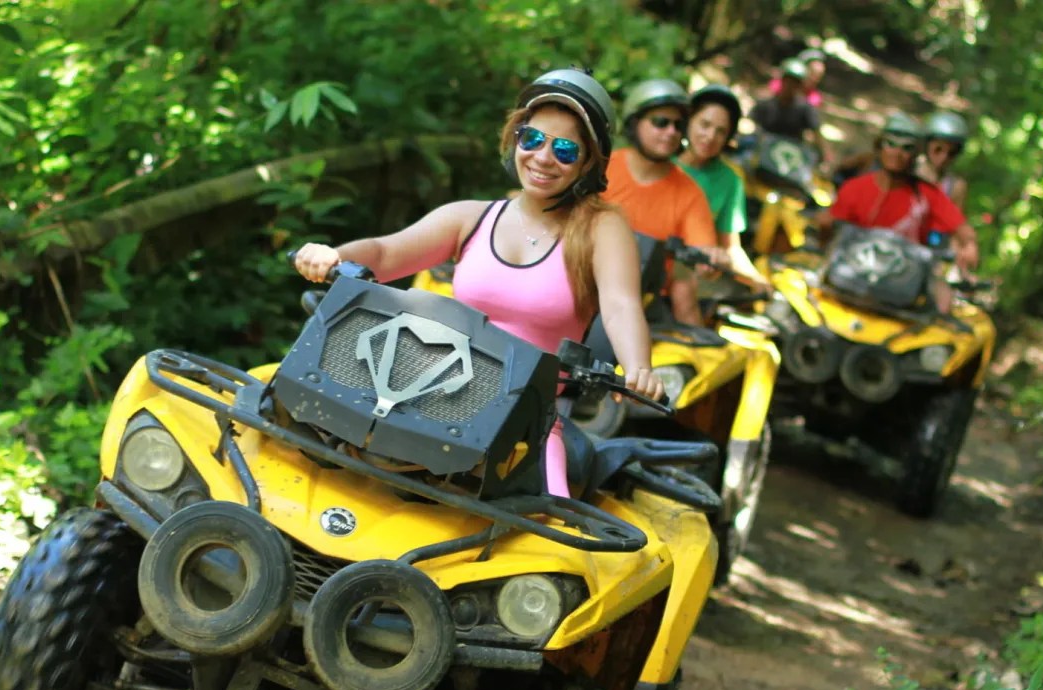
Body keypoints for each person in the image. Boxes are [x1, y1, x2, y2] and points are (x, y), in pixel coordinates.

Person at [292, 69, 661, 499]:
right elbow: (386, 253)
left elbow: (620, 305)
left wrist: (639, 368)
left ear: (587, 162)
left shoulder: (602, 227)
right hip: (427, 397)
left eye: (564, 149)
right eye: (533, 140)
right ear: (515, 140)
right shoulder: (471, 217)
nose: (543, 158)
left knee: (552, 530)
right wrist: (335, 255)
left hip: (524, 425)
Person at [814, 111, 979, 299]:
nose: (897, 154)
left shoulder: (928, 195)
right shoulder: (855, 188)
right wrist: (825, 227)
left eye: (907, 148)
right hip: (851, 274)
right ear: (879, 148)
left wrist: (969, 244)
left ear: (916, 154)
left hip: (901, 284)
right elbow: (830, 231)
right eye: (891, 144)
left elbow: (959, 225)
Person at [602, 77, 722, 327]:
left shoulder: (690, 193)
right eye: (660, 122)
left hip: (646, 306)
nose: (671, 132)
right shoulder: (602, 168)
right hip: (583, 285)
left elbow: (697, 258)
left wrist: (710, 259)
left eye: (678, 126)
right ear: (635, 123)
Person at [677, 84, 770, 292]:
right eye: (705, 124)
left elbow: (731, 247)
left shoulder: (730, 180)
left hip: (692, 277)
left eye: (720, 131)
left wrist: (756, 280)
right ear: (688, 121)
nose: (710, 136)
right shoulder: (662, 160)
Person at [918, 110, 970, 206]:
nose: (944, 157)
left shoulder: (956, 187)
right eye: (938, 149)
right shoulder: (907, 172)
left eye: (951, 153)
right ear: (926, 146)